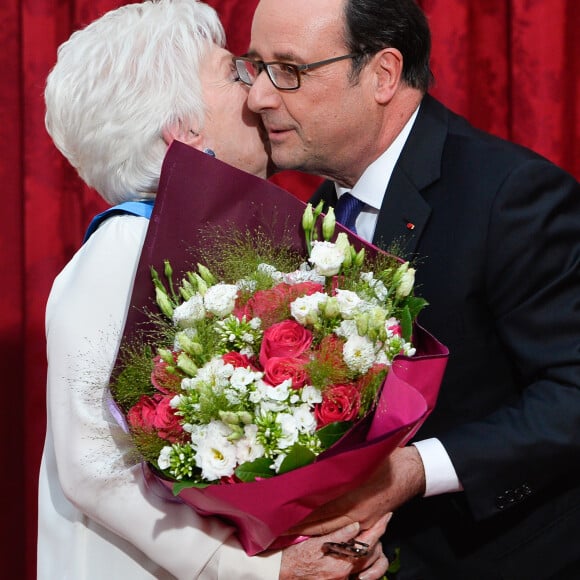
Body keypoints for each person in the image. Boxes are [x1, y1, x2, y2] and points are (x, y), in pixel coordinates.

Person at [38, 1, 391, 578]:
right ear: (182, 130)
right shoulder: (121, 250)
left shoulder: (243, 249)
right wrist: (263, 572)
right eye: (235, 74)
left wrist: (338, 529)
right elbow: (93, 466)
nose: (259, 94)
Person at [236, 0, 580, 578]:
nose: (259, 97)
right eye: (256, 66)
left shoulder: (511, 195)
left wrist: (413, 471)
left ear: (383, 74)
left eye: (290, 71)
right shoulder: (315, 213)